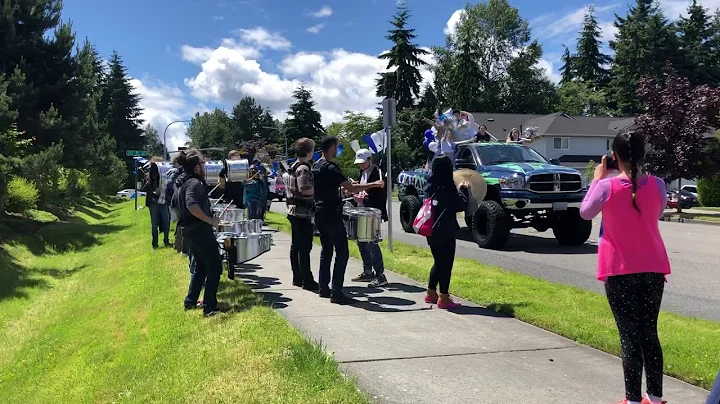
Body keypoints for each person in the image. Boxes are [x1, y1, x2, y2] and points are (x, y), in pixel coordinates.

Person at [579, 132, 671, 404]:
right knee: (649, 332)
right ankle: (654, 398)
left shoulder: (606, 187)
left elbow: (585, 212)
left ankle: (632, 399)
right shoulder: (659, 185)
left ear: (614, 156)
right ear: (644, 156)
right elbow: (657, 212)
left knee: (629, 335)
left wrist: (596, 179)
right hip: (653, 267)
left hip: (619, 269)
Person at [312, 136, 384, 304]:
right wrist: (373, 184)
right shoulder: (331, 168)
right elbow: (351, 188)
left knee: (326, 250)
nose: (338, 151)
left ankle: (324, 288)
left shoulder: (316, 167)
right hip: (331, 213)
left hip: (320, 212)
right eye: (337, 148)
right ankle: (336, 293)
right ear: (331, 148)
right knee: (342, 253)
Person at [173, 149, 225, 317]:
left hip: (189, 230)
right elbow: (191, 205)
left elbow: (175, 205)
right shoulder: (194, 183)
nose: (205, 166)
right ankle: (209, 307)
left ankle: (190, 302)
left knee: (201, 267)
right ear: (196, 168)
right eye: (203, 163)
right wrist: (209, 220)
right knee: (215, 266)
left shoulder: (183, 182)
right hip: (199, 230)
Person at [423, 156, 469, 309]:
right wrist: (463, 190)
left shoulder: (429, 186)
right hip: (446, 231)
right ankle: (443, 297)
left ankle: (430, 292)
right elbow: (460, 205)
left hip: (431, 229)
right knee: (446, 264)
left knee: (438, 261)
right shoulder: (448, 187)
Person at [349, 149, 389, 287]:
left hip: (373, 213)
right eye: (359, 163)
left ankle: (380, 275)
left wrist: (363, 198)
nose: (361, 165)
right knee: (361, 242)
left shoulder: (377, 173)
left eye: (363, 162)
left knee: (372, 243)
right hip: (363, 211)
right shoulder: (363, 172)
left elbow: (379, 195)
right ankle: (367, 271)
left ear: (369, 159)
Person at [286, 138, 319, 291]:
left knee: (296, 246)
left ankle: (297, 277)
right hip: (301, 212)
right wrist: (319, 190)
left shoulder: (293, 165)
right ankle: (307, 279)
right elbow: (304, 187)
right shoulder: (304, 168)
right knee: (304, 248)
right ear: (309, 151)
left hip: (293, 211)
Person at [143, 161, 170, 249]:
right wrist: (148, 184)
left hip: (163, 201)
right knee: (154, 225)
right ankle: (154, 244)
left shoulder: (163, 176)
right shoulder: (147, 176)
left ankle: (166, 240)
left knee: (166, 221)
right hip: (153, 203)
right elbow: (143, 189)